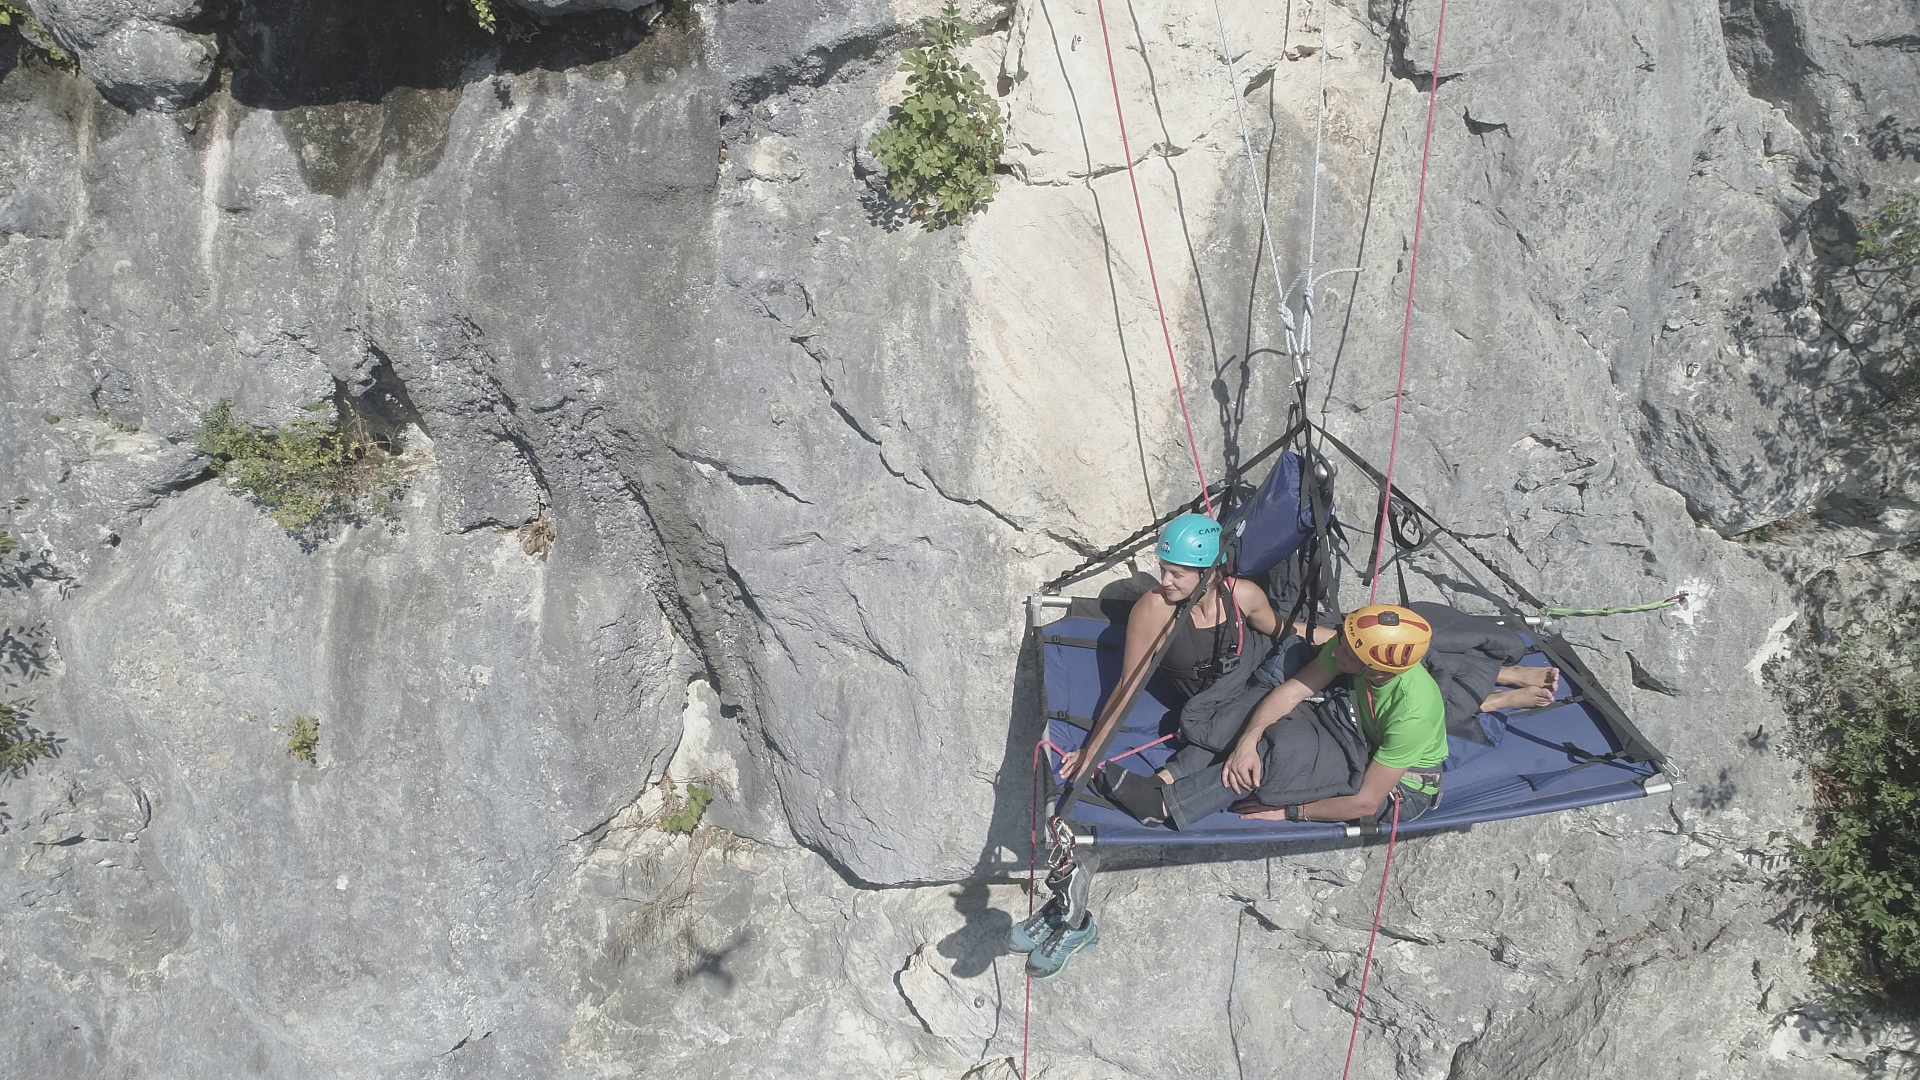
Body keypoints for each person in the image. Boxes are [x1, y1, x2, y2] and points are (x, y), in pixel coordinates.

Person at [1095, 604, 1455, 828]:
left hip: (1401, 789)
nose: (1338, 648)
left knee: (1287, 749)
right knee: (1259, 711)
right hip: (1356, 729)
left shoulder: (1415, 711)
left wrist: (1293, 812)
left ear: (1378, 669)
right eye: (1343, 639)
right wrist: (1248, 740)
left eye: (1349, 651)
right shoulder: (1351, 650)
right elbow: (1293, 690)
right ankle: (1166, 780)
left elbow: (1366, 801)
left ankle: (1163, 807)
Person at [1058, 512, 1280, 784]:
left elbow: (1280, 630)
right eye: (1163, 569)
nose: (1164, 581)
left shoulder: (1241, 595)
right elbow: (1128, 685)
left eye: (1177, 573)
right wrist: (1091, 751)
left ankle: (1161, 787)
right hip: (1215, 705)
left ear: (1209, 574)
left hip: (1259, 677)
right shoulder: (1155, 608)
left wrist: (1335, 638)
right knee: (1215, 732)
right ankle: (1160, 788)